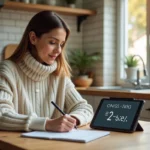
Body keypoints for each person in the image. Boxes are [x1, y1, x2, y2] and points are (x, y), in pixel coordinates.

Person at [0, 11, 93, 132]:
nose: (58, 50)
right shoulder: (8, 70)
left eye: (61, 44)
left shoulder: (60, 74)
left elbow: (84, 107)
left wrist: (71, 120)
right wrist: (47, 124)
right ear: (33, 38)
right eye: (52, 42)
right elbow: (2, 114)